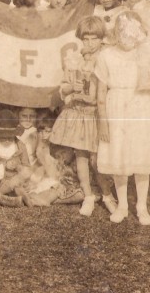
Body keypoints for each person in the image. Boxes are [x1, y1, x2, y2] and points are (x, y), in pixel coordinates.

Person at [96, 12, 150, 225]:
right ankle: (122, 205)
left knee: (140, 157)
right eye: (122, 33)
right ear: (116, 33)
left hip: (141, 105)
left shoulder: (143, 54)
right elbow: (101, 91)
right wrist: (103, 120)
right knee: (119, 156)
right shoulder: (106, 55)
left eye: (132, 34)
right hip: (116, 106)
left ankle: (142, 206)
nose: (127, 38)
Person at [49, 16, 117, 216]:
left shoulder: (107, 58)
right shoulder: (74, 59)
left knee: (98, 159)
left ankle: (106, 194)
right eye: (85, 39)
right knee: (81, 156)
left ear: (101, 38)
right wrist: (72, 87)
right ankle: (87, 195)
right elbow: (64, 86)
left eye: (94, 38)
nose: (89, 43)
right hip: (79, 114)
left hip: (97, 113)